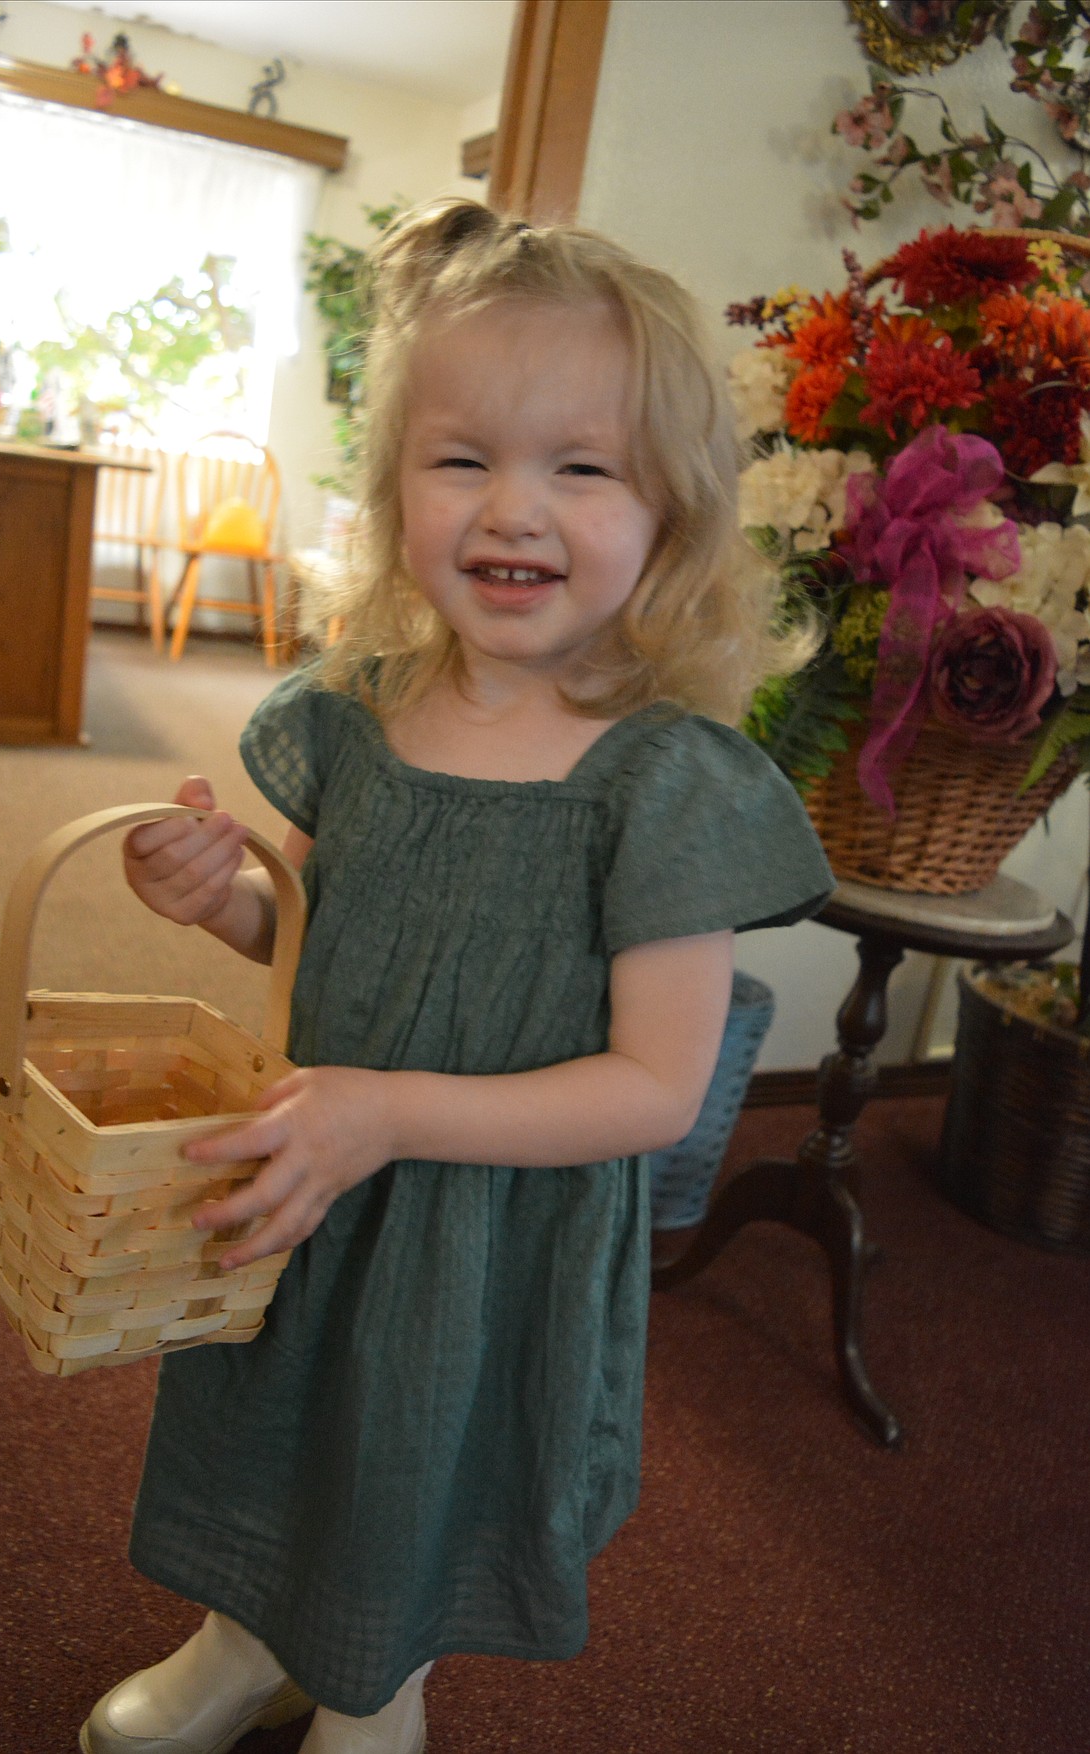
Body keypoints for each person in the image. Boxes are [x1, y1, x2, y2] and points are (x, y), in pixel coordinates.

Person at [81, 199, 833, 1754]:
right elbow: (310, 932)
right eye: (463, 457)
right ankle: (241, 1635)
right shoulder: (356, 709)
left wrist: (391, 1113)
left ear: (674, 511)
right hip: (312, 1163)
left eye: (581, 465)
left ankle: (372, 1679)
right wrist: (220, 893)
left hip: (489, 1225)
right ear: (395, 488)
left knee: (412, 1447)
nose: (515, 507)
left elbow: (653, 1090)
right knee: (270, 1408)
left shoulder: (665, 779)